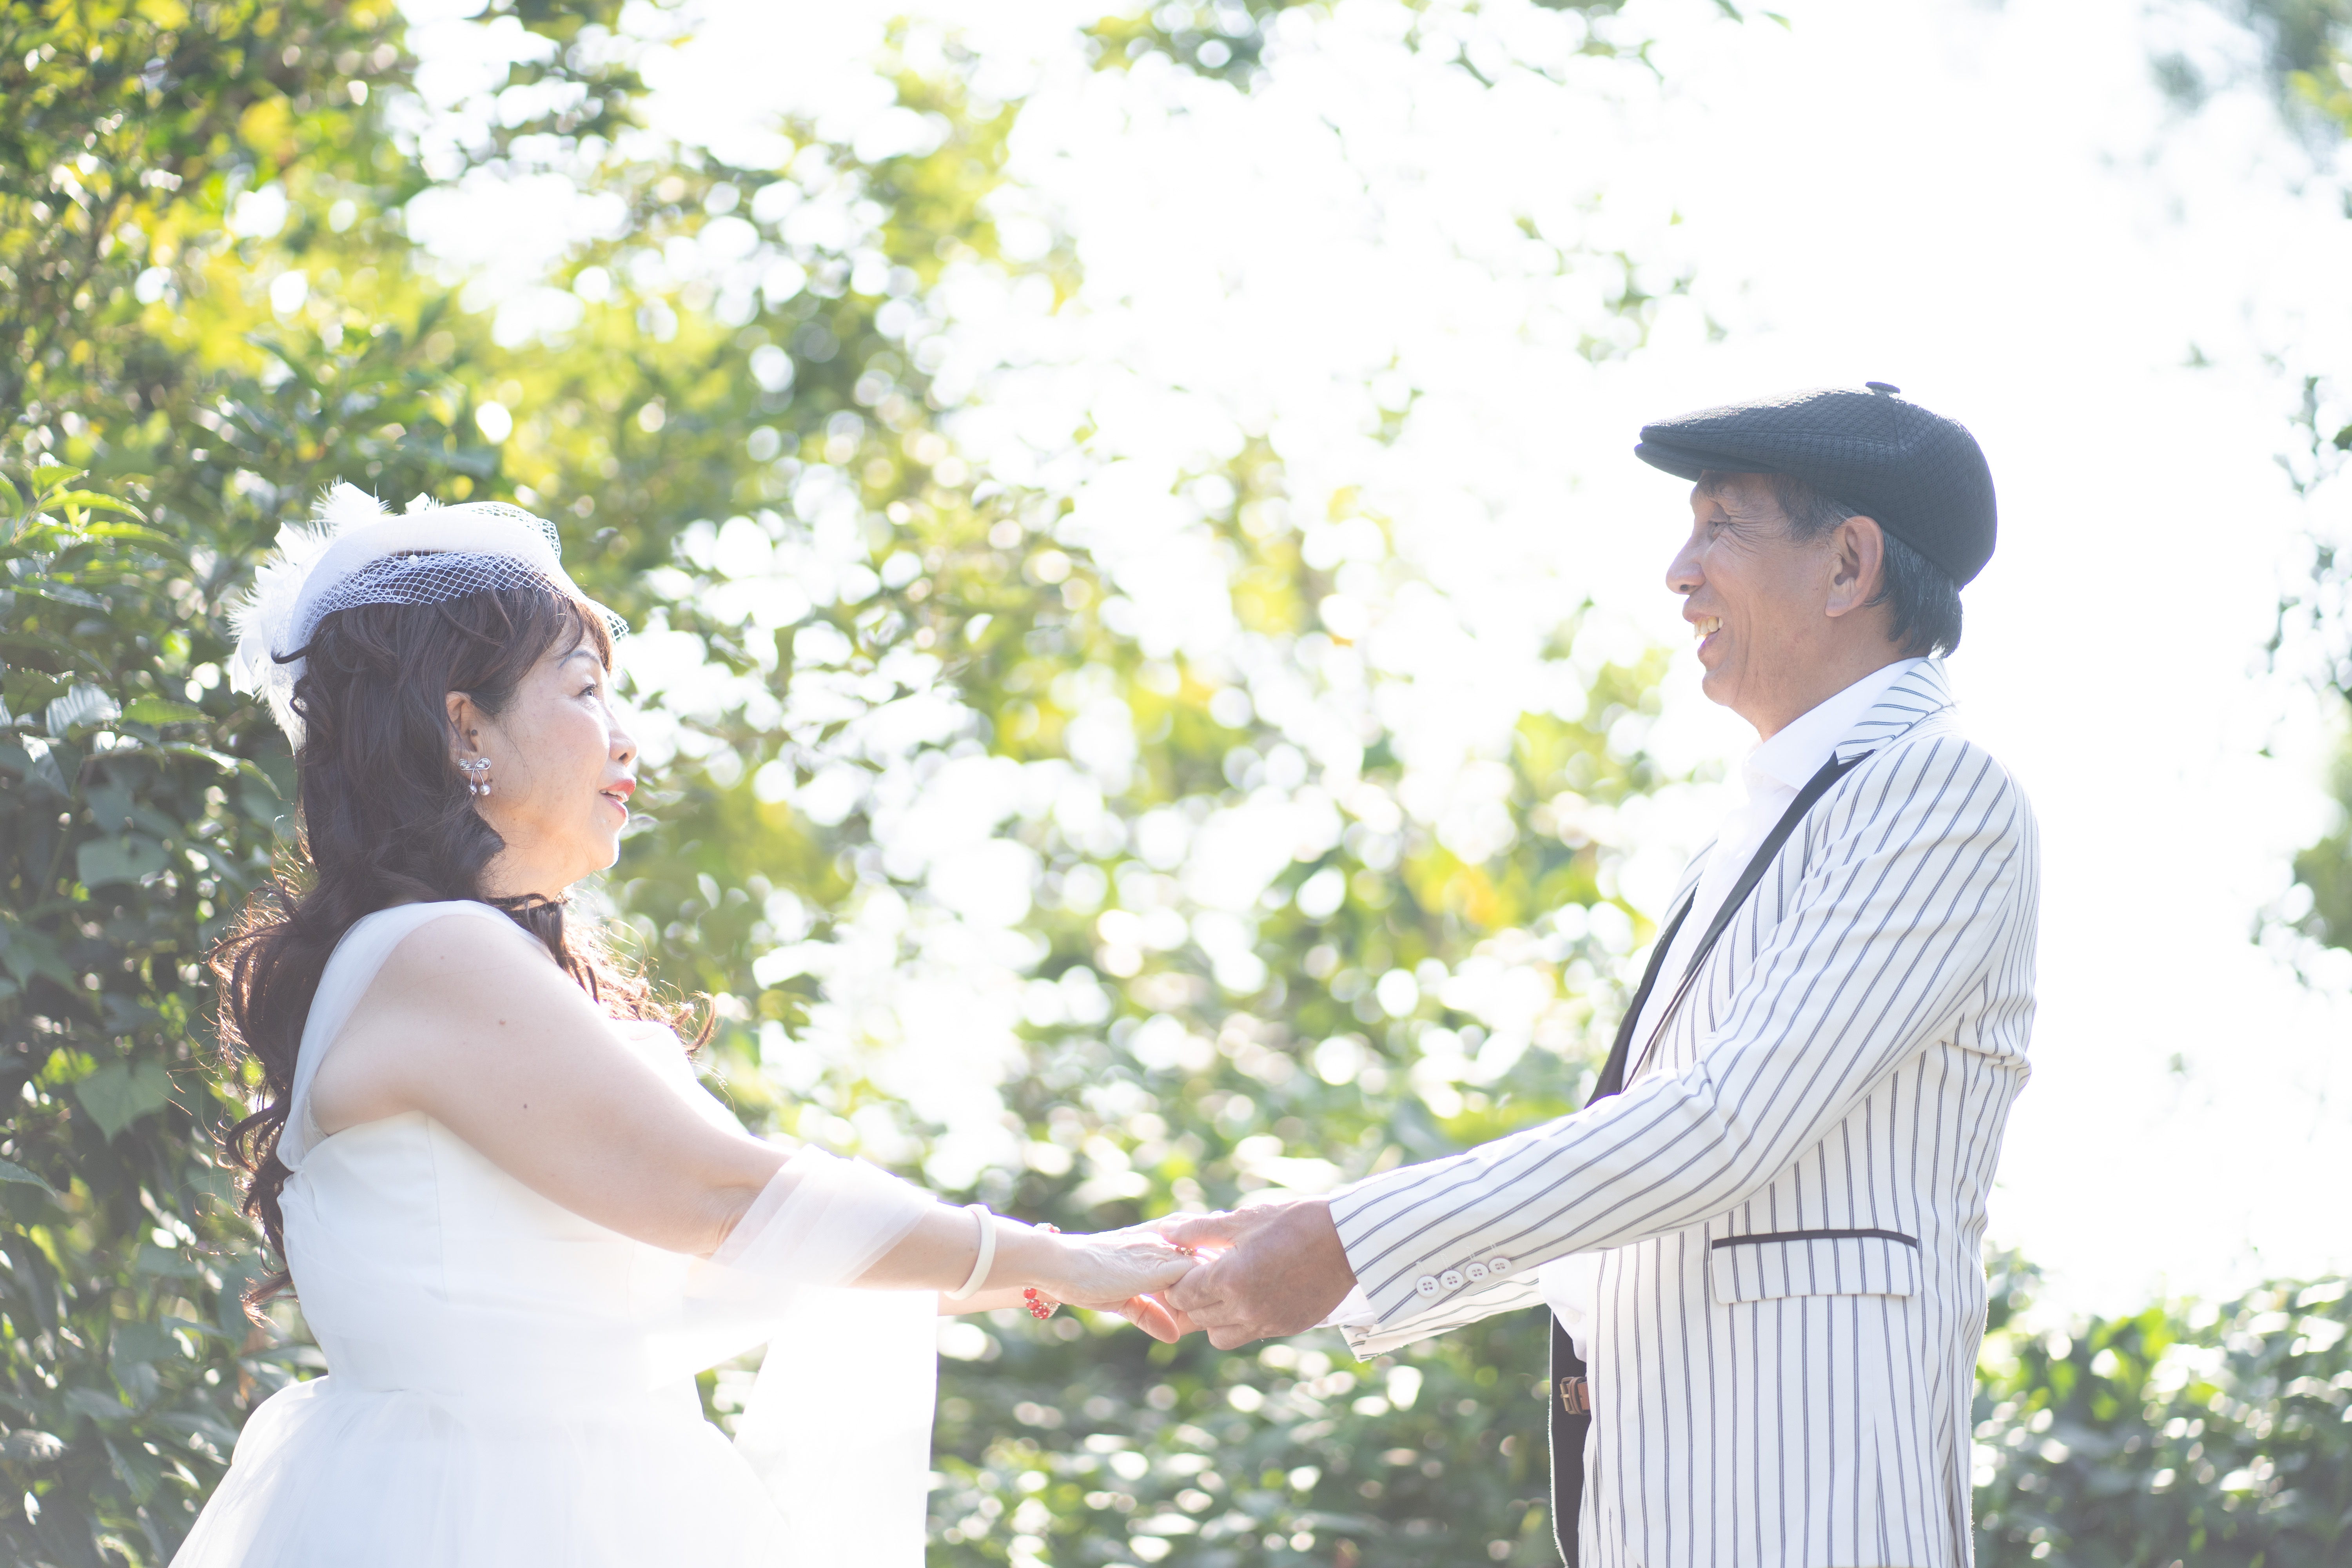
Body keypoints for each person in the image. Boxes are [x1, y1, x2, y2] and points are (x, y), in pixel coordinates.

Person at [176, 485, 1194, 1568]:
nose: (627, 742)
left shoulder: (462, 958)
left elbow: (745, 1264)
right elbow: (726, 1198)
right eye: (586, 691)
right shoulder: (434, 952)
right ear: (465, 727)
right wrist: (1057, 1256)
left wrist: (1052, 1268)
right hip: (485, 1516)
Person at [1160, 384, 2040, 1568]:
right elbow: (1636, 1193)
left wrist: (1348, 1238)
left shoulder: (1941, 791)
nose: (1680, 573)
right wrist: (1321, 1259)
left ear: (1849, 566)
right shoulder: (1744, 843)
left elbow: (1719, 1131)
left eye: (1722, 526)